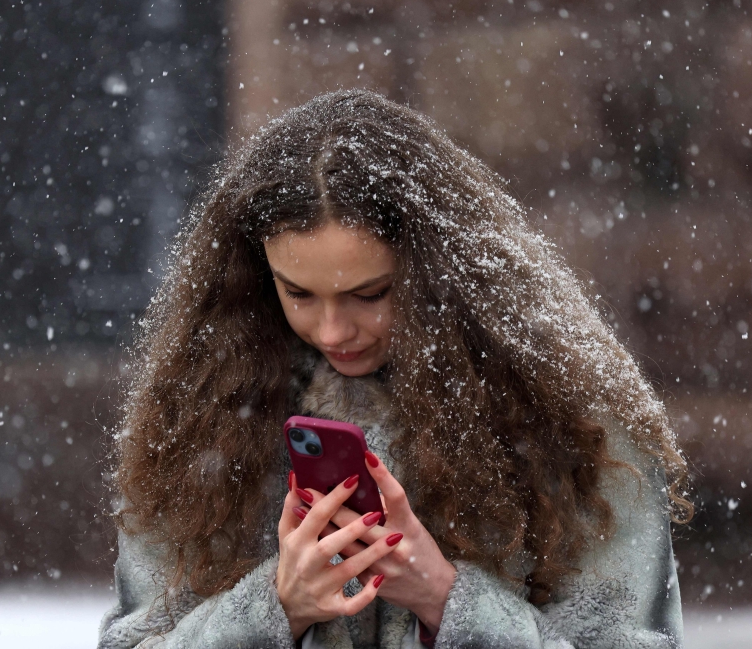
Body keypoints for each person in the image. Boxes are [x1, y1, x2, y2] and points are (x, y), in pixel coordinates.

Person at [98, 89, 692, 649]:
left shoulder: (573, 424)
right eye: (298, 292)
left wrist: (446, 600)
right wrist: (276, 609)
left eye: (372, 292)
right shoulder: (199, 419)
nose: (333, 331)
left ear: (443, 275)